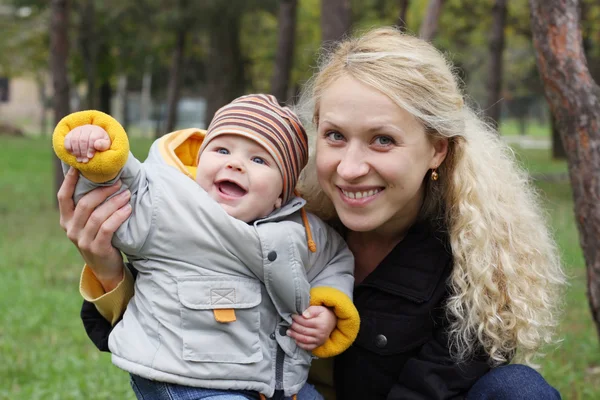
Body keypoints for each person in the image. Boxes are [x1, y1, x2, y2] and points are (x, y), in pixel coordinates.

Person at [58, 27, 565, 399]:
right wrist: (106, 268)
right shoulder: (271, 214)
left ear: (437, 150)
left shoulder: (473, 259)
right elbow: (141, 336)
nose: (349, 168)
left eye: (383, 140)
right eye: (335, 136)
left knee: (518, 390)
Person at [53, 94, 360, 400]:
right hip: (182, 377)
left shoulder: (301, 230)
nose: (235, 163)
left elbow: (334, 260)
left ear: (282, 194)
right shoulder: (166, 203)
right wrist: (97, 150)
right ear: (199, 163)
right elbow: (118, 185)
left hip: (275, 384)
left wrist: (327, 308)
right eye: (222, 149)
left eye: (258, 160)